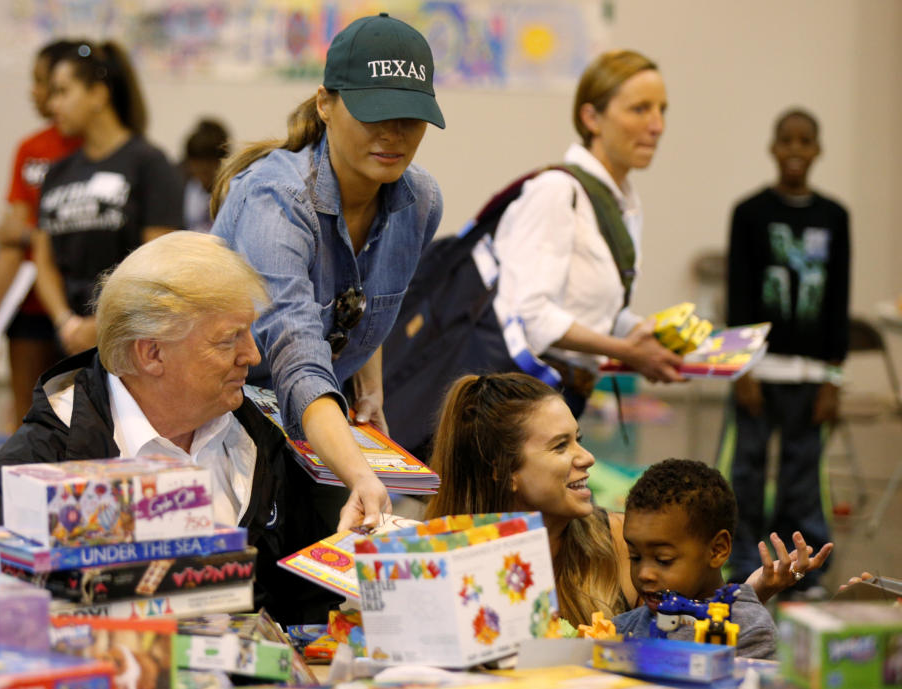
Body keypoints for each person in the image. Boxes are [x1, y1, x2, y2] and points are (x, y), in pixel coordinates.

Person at [0, 231, 338, 623]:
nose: (253, 355)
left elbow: (307, 605)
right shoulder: (31, 470)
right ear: (152, 353)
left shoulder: (261, 438)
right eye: (229, 339)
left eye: (249, 331)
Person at [211, 13, 445, 531]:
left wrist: (369, 390)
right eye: (373, 113)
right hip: (212, 427)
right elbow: (296, 352)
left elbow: (360, 294)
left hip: (310, 429)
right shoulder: (277, 201)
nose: (393, 134)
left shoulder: (420, 201)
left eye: (410, 116)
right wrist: (359, 473)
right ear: (325, 104)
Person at [424, 372, 833, 627]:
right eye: (560, 446)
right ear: (502, 468)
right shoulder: (439, 556)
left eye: (578, 440)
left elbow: (685, 628)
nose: (587, 458)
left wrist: (751, 591)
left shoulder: (623, 540)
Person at [489, 49, 684, 415]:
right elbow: (531, 316)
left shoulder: (621, 201)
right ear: (591, 117)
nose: (657, 125)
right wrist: (628, 352)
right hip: (523, 399)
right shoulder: (557, 191)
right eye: (640, 109)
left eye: (662, 110)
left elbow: (596, 314)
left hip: (565, 394)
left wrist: (654, 336)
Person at [717, 108, 849, 595]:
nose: (795, 150)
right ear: (773, 148)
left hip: (811, 375)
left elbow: (838, 300)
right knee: (746, 470)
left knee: (802, 473)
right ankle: (743, 563)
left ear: (817, 150)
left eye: (805, 141)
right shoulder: (749, 212)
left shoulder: (834, 217)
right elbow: (738, 295)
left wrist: (833, 379)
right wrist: (741, 369)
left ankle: (803, 565)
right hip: (758, 371)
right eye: (786, 140)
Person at [33, 40, 184, 358]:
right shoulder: (57, 173)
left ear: (98, 95)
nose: (52, 104)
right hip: (68, 337)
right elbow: (43, 261)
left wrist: (103, 323)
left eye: (62, 92)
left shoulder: (149, 163)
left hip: (130, 340)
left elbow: (157, 262)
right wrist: (67, 323)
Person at [0, 39, 82, 429]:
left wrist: (30, 231)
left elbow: (21, 230)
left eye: (43, 82)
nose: (35, 93)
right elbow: (9, 237)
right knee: (27, 416)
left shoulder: (103, 151)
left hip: (82, 308)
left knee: (81, 419)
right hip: (30, 309)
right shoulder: (31, 149)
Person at [613, 459, 776, 659]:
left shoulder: (748, 632)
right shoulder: (622, 630)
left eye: (663, 560)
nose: (644, 574)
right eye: (635, 557)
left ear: (717, 550)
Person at [181, 118, 230, 232]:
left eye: (207, 169)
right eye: (196, 166)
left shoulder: (231, 193)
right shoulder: (187, 188)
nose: (202, 175)